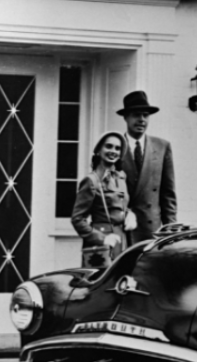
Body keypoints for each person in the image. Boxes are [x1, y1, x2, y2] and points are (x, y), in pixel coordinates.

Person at [118, 90, 177, 243]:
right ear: (125, 117)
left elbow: (168, 194)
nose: (141, 120)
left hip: (151, 230)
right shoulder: (113, 148)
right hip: (121, 228)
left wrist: (171, 229)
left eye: (145, 115)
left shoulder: (162, 146)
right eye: (136, 115)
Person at [72, 131, 135, 267]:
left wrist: (130, 214)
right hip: (102, 247)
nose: (113, 151)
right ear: (99, 151)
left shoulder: (121, 178)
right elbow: (77, 219)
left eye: (117, 148)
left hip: (123, 242)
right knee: (101, 284)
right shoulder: (91, 181)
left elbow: (120, 206)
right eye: (109, 146)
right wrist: (102, 239)